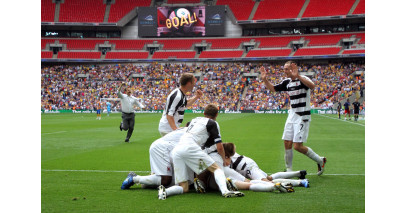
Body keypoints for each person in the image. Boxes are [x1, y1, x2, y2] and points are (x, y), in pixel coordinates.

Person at [158, 104, 243, 200]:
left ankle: (165, 191)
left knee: (184, 187)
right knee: (216, 168)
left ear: (204, 113)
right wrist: (223, 160)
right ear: (216, 115)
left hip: (177, 149)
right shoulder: (212, 123)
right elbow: (219, 147)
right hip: (190, 147)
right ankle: (225, 191)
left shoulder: (195, 119)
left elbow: (187, 125)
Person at [260, 61, 326, 175]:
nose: (285, 71)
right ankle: (289, 170)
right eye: (284, 69)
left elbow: (312, 86)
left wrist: (298, 76)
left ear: (293, 69)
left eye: (287, 69)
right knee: (287, 142)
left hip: (302, 115)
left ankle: (320, 160)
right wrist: (265, 79)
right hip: (292, 115)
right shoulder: (287, 82)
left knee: (298, 146)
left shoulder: (303, 79)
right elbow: (273, 89)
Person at [120, 125, 189, 190]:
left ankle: (148, 182)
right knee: (166, 180)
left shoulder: (188, 131)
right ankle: (134, 178)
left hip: (165, 148)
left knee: (176, 180)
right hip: (162, 149)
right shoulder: (192, 134)